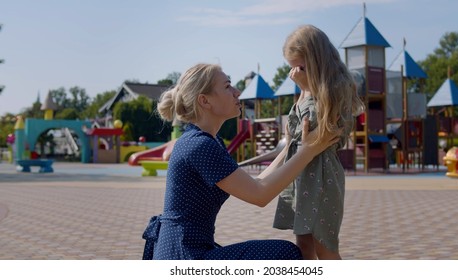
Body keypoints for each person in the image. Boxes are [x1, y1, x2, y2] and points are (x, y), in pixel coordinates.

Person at [142, 63, 340, 260]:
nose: (237, 92)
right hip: (183, 256)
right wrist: (310, 150)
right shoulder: (199, 145)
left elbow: (256, 183)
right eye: (228, 86)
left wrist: (289, 147)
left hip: (189, 251)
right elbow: (260, 195)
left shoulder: (209, 141)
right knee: (284, 254)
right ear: (205, 101)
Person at [272, 25, 365, 260]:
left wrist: (305, 88)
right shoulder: (308, 88)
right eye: (292, 67)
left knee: (324, 246)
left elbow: (316, 128)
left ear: (316, 61)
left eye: (300, 67)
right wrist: (303, 90)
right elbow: (296, 131)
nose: (295, 73)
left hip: (321, 176)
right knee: (303, 243)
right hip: (301, 174)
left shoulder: (333, 88)